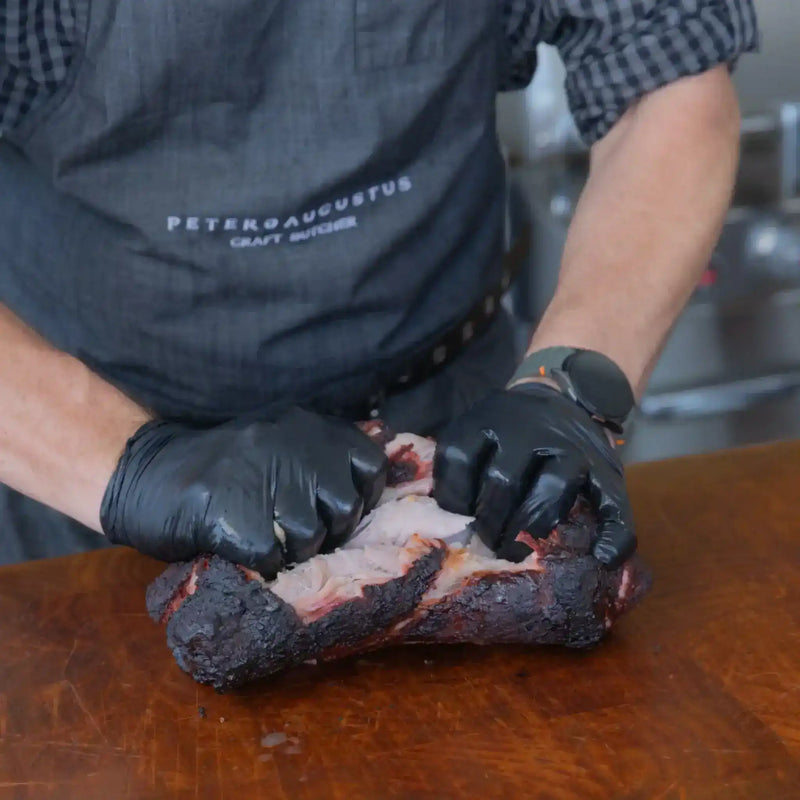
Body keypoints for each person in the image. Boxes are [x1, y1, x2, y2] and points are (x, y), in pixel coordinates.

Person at [0, 1, 757, 574]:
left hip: (460, 445)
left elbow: (664, 70)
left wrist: (570, 387)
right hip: (88, 465)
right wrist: (129, 469)